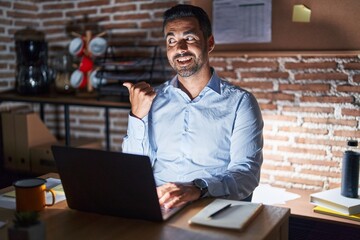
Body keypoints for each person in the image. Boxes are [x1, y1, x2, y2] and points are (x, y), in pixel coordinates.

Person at [122, 4, 263, 209]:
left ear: (210, 42)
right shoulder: (151, 99)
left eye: (189, 38)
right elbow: (133, 169)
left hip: (210, 206)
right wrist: (137, 116)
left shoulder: (241, 103)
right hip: (157, 205)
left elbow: (246, 174)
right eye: (171, 41)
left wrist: (198, 189)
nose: (179, 48)